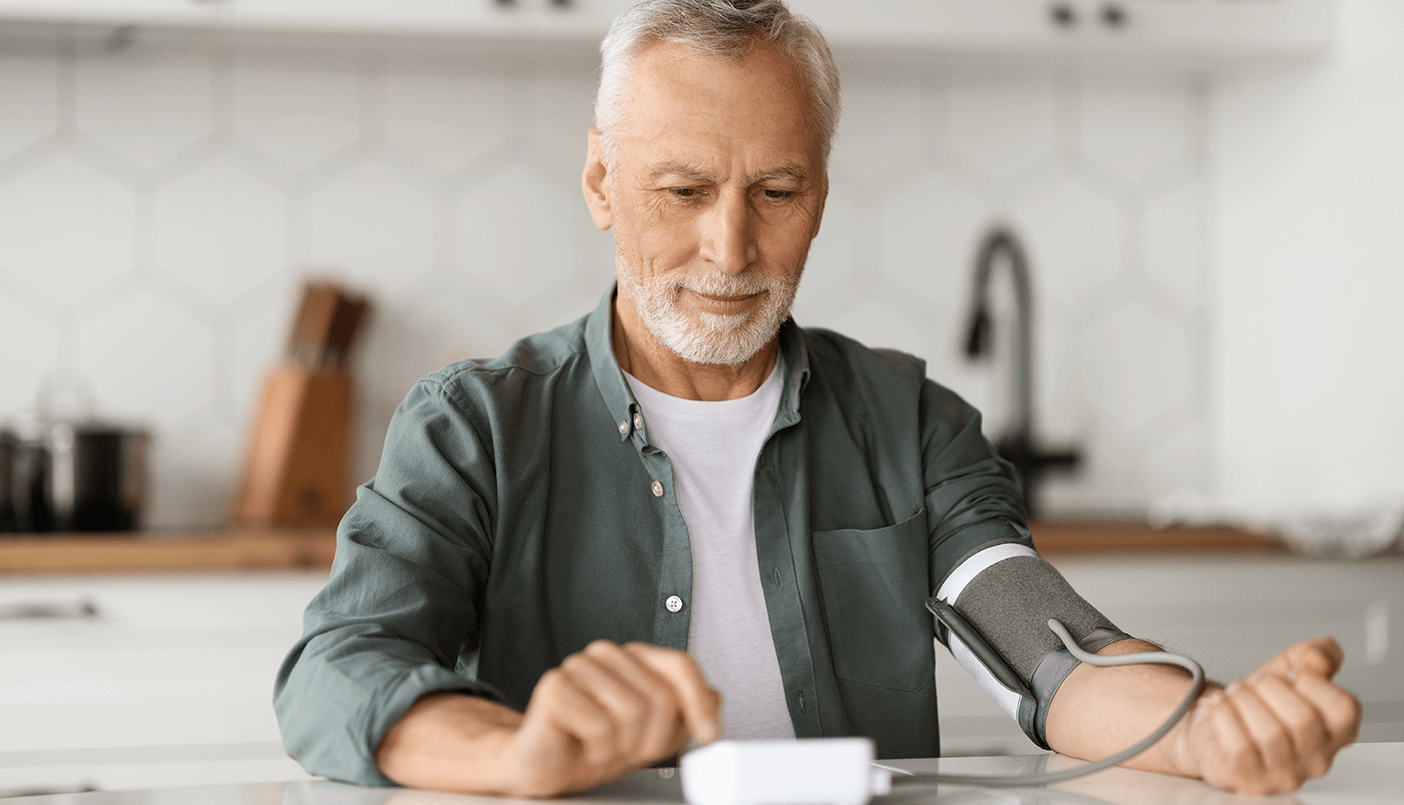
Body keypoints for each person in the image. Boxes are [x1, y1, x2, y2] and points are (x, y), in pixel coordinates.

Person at [273, 0, 1362, 798]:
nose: (732, 246)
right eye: (683, 190)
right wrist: (511, 754)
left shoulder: (907, 421)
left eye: (777, 192)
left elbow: (1047, 648)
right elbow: (337, 670)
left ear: (822, 194)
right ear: (602, 183)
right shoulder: (476, 425)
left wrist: (1207, 727)